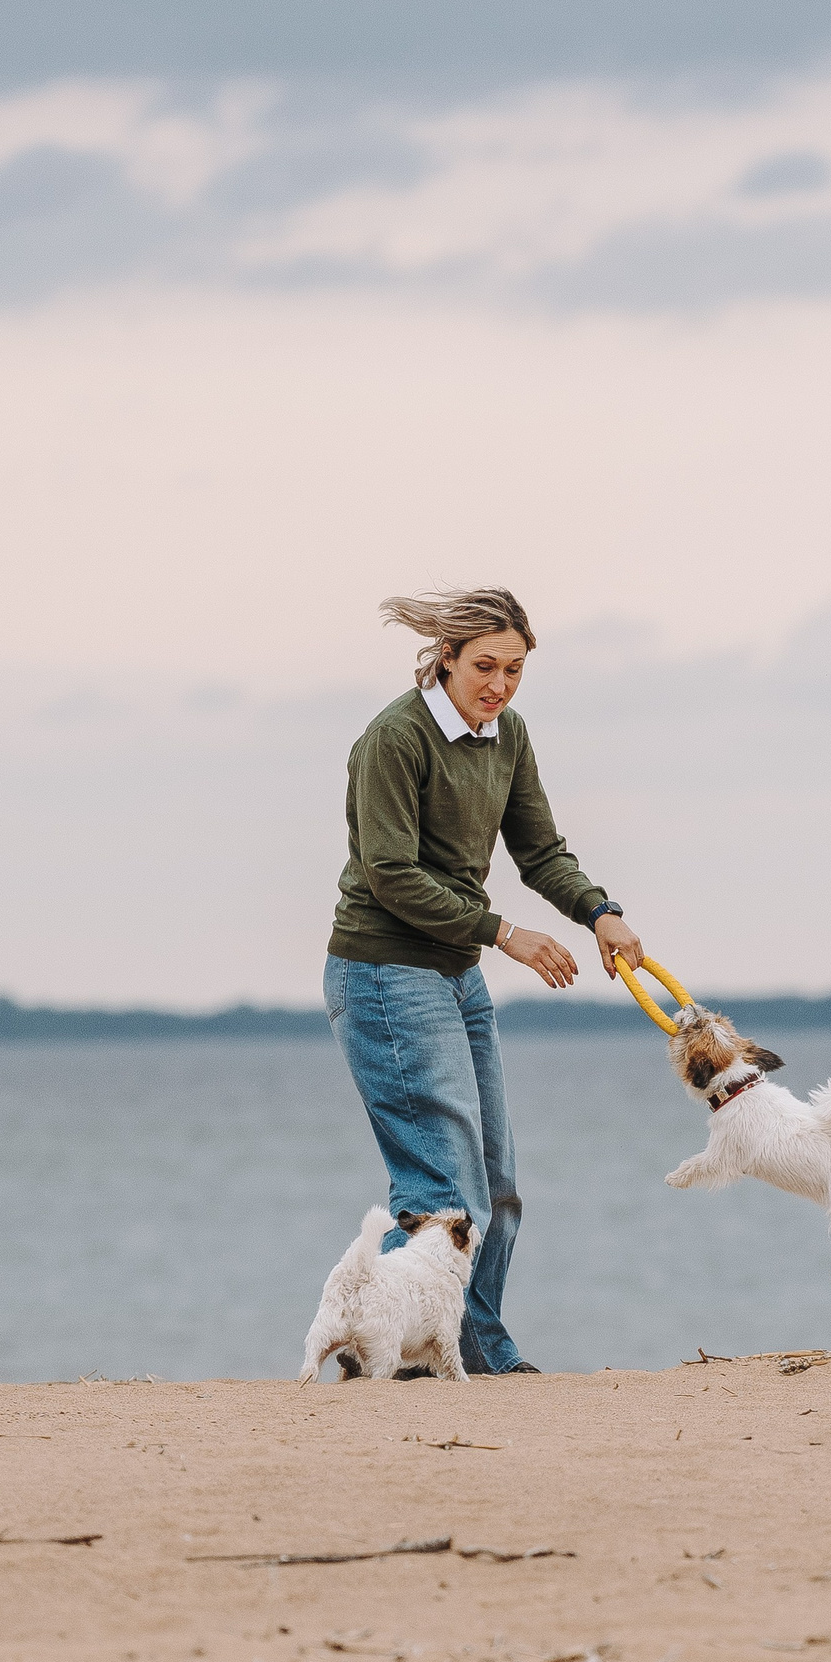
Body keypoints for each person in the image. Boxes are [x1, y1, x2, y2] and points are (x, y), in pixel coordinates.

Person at [323, 586, 644, 1375]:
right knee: (442, 1191)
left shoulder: (507, 735)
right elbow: (391, 873)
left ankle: (414, 1347)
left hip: (455, 975)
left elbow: (540, 850)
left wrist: (598, 912)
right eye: (485, 667)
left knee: (495, 1191)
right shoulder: (395, 739)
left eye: (515, 669)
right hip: (384, 972)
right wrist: (504, 933)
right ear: (446, 659)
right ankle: (452, 1353)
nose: (499, 684)